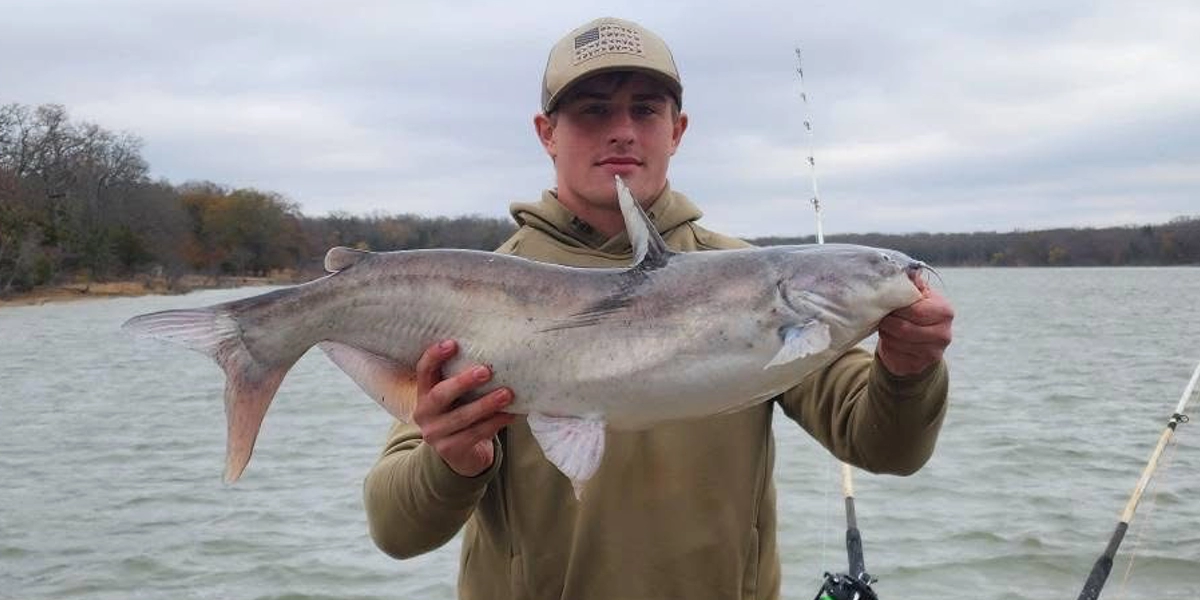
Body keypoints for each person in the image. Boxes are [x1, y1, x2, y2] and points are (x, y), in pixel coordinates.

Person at [363, 16, 954, 600]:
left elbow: (887, 449)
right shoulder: (469, 295)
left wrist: (909, 370)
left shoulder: (761, 286)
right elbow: (394, 530)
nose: (622, 131)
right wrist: (451, 463)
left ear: (678, 129)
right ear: (547, 132)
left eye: (645, 110)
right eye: (593, 110)